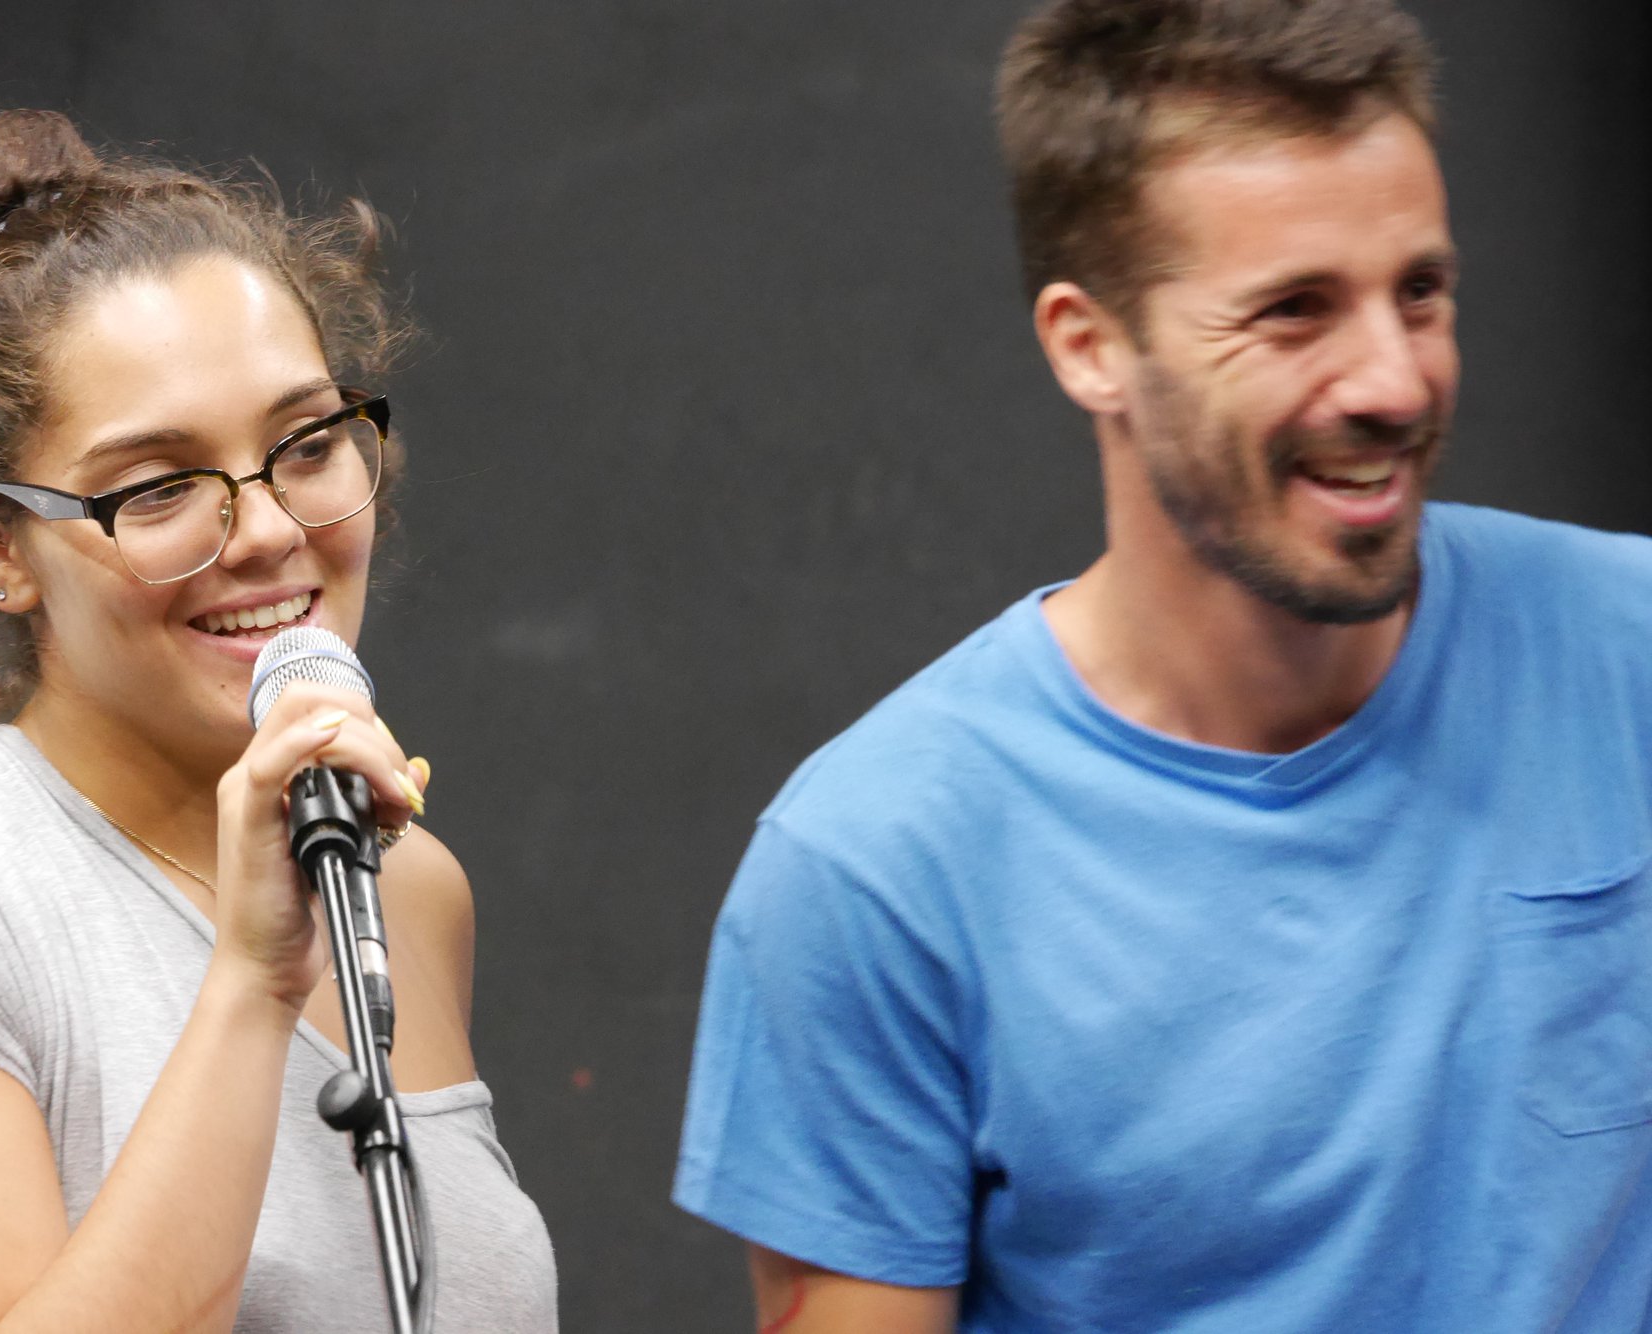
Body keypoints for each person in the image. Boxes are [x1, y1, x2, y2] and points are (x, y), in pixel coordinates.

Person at [674, 0, 1652, 1329]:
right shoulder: (875, 872)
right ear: (1092, 345)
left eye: (1420, 291)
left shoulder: (1627, 653)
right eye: (1295, 311)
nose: (1395, 380)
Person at [0, 109, 557, 1332]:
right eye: (157, 486)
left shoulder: (406, 881)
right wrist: (253, 983)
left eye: (304, 441)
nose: (264, 528)